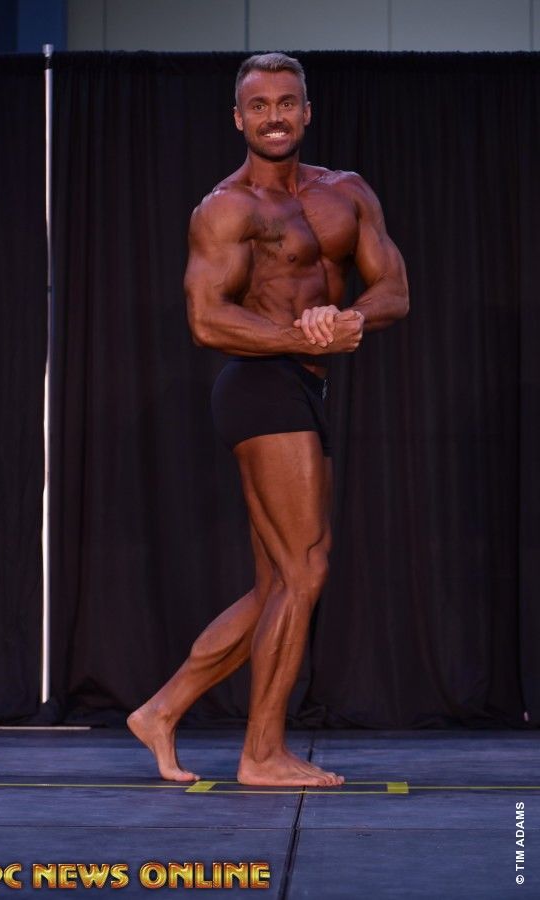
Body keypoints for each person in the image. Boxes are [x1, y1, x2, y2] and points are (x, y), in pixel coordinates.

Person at [128, 52, 409, 787]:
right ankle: (261, 754)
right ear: (238, 118)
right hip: (258, 385)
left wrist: (347, 319)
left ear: (307, 112)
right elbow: (206, 319)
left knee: (278, 585)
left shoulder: (347, 192)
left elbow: (394, 289)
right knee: (305, 567)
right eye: (259, 106)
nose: (275, 117)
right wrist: (303, 336)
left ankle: (162, 709)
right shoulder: (226, 208)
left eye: (287, 103)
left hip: (305, 387)